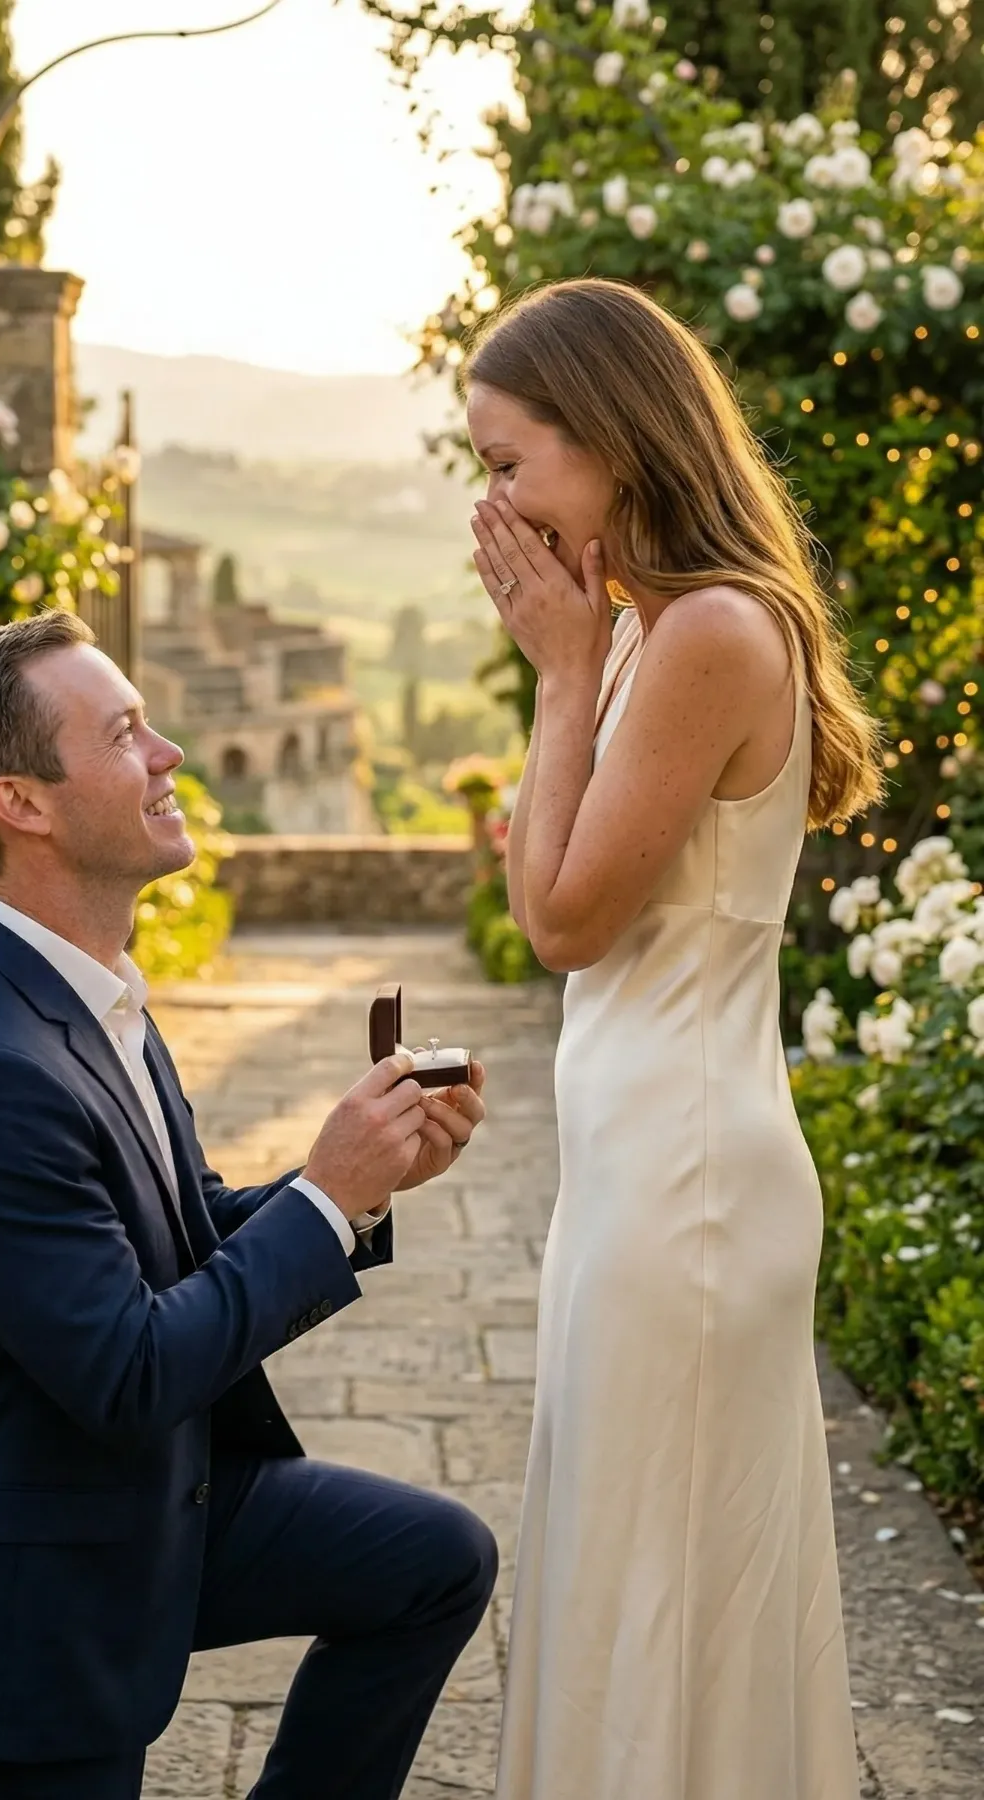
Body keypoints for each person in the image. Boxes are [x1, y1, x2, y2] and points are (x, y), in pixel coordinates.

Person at [0, 610, 497, 1800]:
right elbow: (132, 1371)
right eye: (127, 733)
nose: (172, 756)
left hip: (147, 1498)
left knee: (433, 1561)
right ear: (22, 802)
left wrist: (362, 1185)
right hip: (24, 1589)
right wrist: (322, 1198)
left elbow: (181, 1229)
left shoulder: (88, 994)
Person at [465, 278, 881, 1800]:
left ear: (615, 441)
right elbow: (545, 910)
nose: (491, 500)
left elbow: (561, 924)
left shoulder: (706, 629)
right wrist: (576, 665)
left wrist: (563, 676)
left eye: (510, 461)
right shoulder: (650, 626)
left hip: (690, 1186)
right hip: (642, 1170)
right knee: (629, 1560)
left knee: (662, 1584)